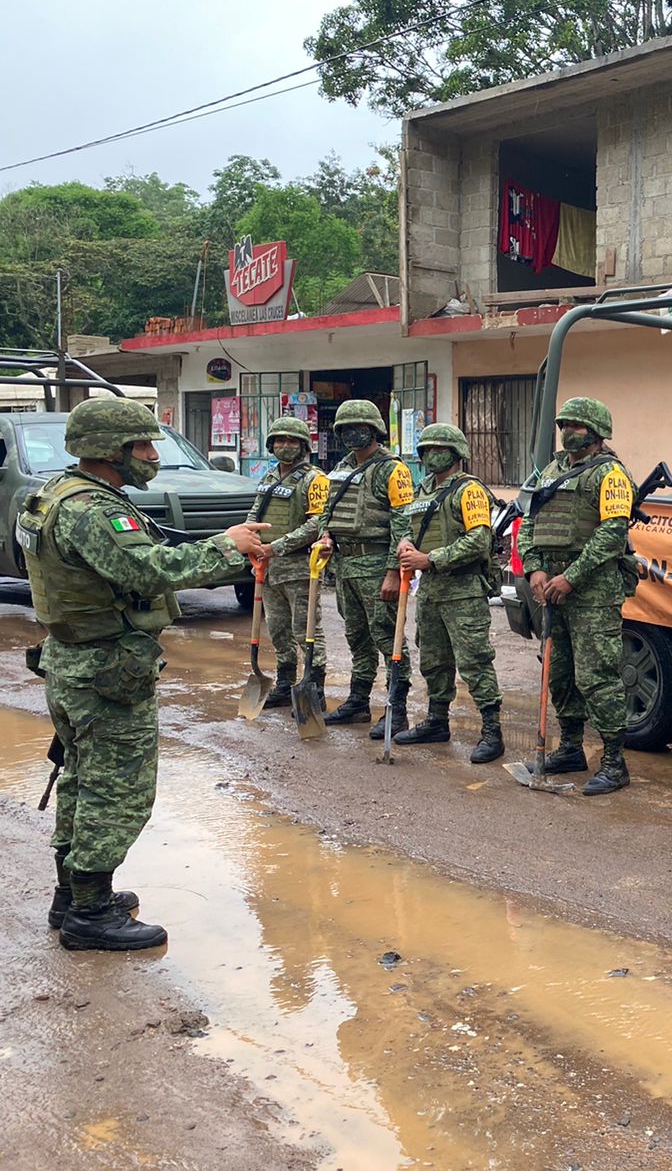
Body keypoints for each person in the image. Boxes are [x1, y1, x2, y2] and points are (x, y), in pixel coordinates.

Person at [18, 398, 268, 950]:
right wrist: (227, 547)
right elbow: (148, 569)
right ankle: (90, 917)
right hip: (104, 669)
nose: (153, 456)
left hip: (71, 661)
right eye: (143, 446)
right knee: (117, 790)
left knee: (81, 781)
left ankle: (77, 896)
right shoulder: (92, 510)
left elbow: (148, 546)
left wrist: (223, 541)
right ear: (111, 451)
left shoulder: (52, 495)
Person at [517, 397, 636, 795]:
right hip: (551, 588)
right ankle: (570, 747)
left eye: (577, 425)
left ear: (597, 432)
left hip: (592, 591)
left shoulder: (611, 475)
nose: (569, 431)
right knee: (561, 672)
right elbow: (528, 521)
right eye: (564, 424)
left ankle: (615, 762)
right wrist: (534, 567)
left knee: (597, 677)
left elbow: (612, 535)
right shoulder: (551, 470)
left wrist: (571, 576)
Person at [394, 423, 504, 763]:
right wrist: (405, 544)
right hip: (430, 590)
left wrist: (430, 559)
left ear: (456, 453)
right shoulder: (422, 489)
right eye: (425, 449)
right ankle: (436, 721)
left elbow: (478, 540)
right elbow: (407, 528)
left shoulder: (468, 490)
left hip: (463, 590)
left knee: (474, 661)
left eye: (438, 448)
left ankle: (492, 731)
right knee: (434, 660)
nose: (430, 454)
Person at [316, 399, 414, 738]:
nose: (351, 434)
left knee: (389, 637)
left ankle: (396, 711)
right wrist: (325, 535)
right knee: (356, 637)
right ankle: (359, 701)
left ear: (374, 430)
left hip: (376, 566)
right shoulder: (341, 467)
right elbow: (327, 512)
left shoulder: (392, 469)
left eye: (359, 427)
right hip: (345, 565)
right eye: (344, 428)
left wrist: (392, 570)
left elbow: (403, 523)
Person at [252, 416, 329, 711]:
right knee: (278, 629)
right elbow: (255, 514)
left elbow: (317, 523)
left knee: (306, 630)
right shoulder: (270, 477)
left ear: (303, 446)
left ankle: (314, 687)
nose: (285, 446)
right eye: (280, 441)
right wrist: (252, 545)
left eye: (292, 441)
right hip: (268, 568)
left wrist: (277, 547)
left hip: (299, 568)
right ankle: (285, 683)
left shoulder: (315, 479)